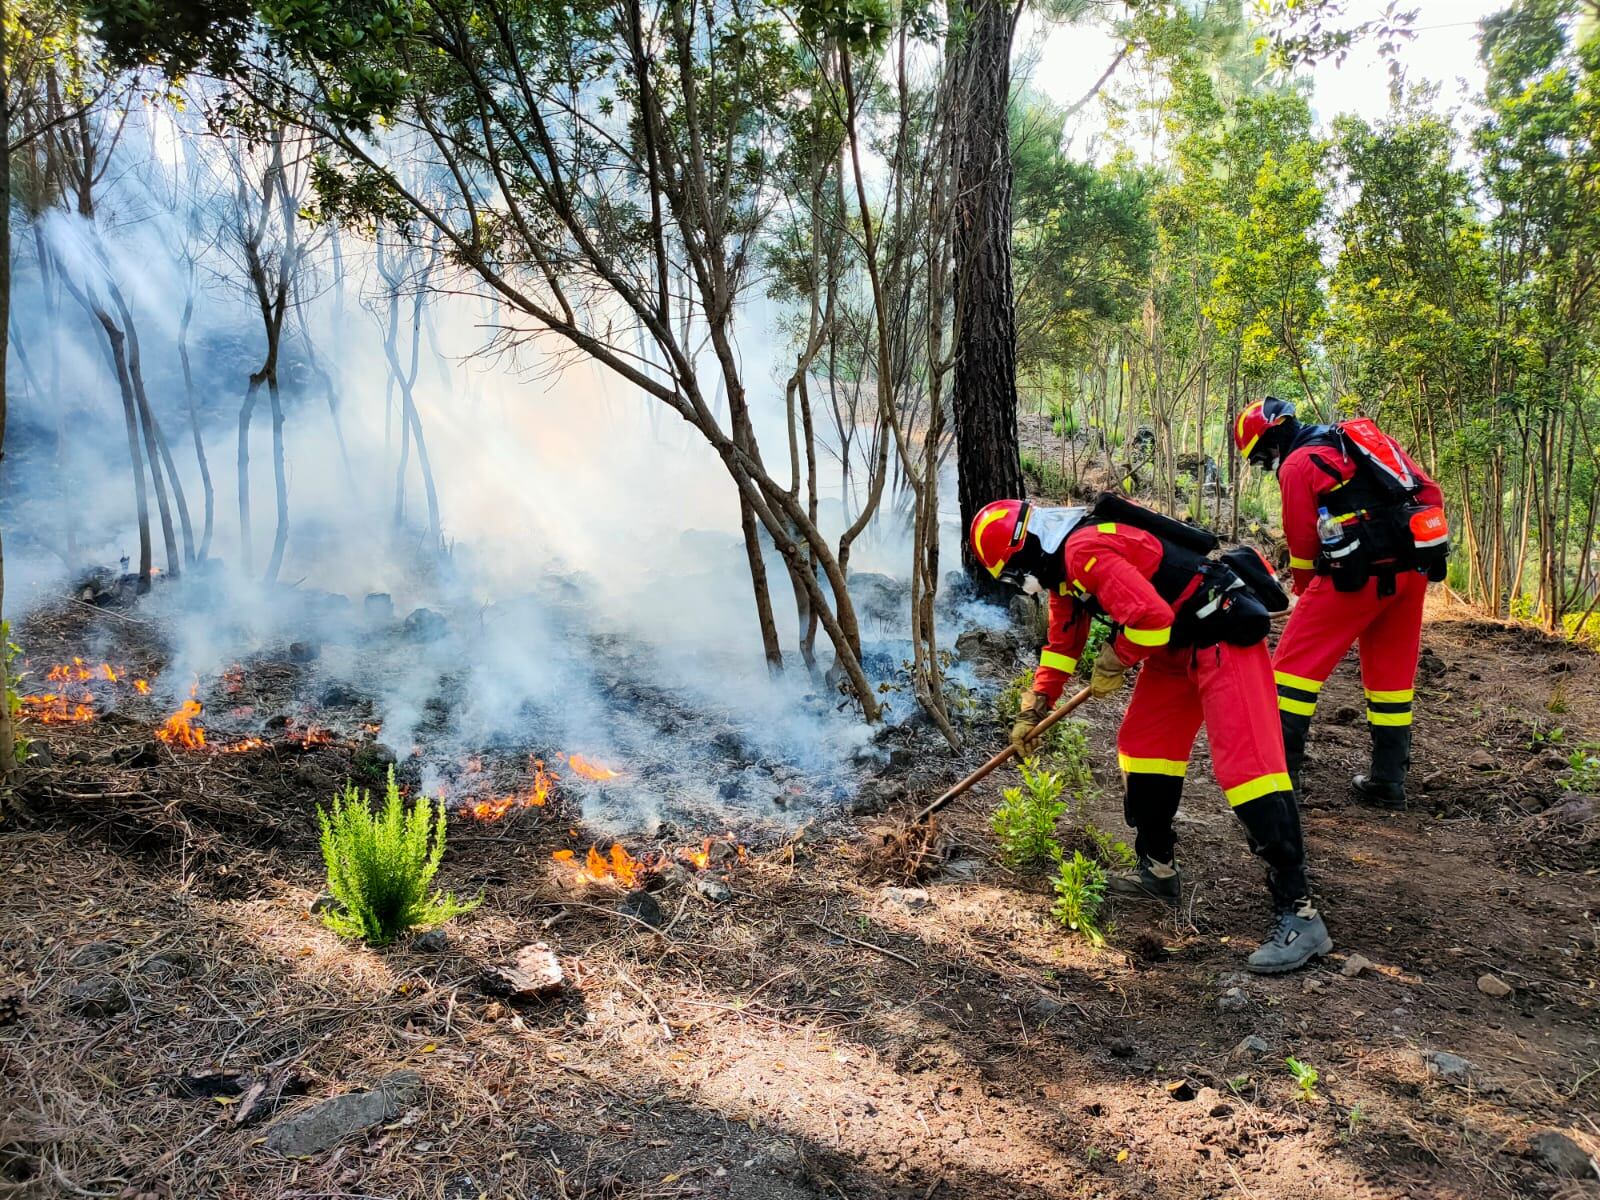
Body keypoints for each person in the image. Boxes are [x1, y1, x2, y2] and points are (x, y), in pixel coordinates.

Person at [971, 496, 1333, 974]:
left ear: (1028, 549)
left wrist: (1115, 658)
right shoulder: (1064, 573)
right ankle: (1158, 872)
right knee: (1143, 750)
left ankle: (1300, 913)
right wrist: (1036, 704)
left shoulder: (1083, 549)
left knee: (1248, 771)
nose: (1024, 583)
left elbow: (1150, 619)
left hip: (1220, 636)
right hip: (1173, 651)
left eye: (1018, 572)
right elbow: (1062, 645)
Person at [1233, 397, 1448, 809]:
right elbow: (1430, 493)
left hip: (1353, 579)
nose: (1267, 465)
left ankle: (1281, 782)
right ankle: (1388, 782)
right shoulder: (1366, 442)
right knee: (1391, 681)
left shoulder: (1298, 464)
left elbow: (1301, 541)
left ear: (1273, 436)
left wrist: (1306, 590)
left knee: (1289, 677)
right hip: (1410, 575)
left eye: (1262, 457)